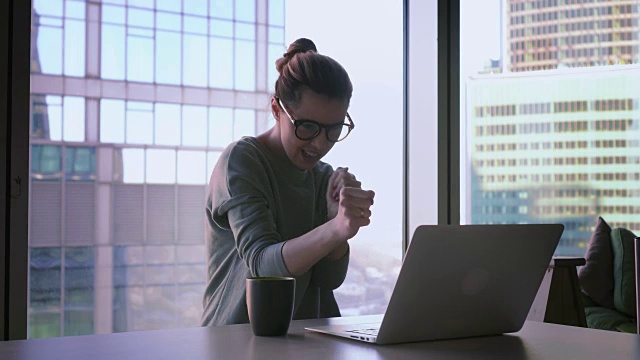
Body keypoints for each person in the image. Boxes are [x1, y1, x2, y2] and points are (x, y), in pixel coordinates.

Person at [201, 38, 375, 326]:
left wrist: (337, 223)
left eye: (333, 129)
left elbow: (328, 280)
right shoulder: (243, 161)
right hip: (237, 342)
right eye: (307, 126)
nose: (319, 144)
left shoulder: (322, 176)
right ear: (276, 110)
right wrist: (334, 229)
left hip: (302, 342)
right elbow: (262, 266)